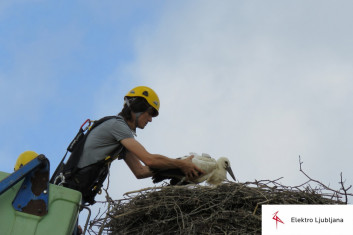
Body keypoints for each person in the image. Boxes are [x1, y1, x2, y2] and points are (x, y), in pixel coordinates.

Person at [63, 86, 204, 205]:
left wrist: (177, 167)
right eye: (149, 114)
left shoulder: (120, 139)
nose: (150, 120)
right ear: (138, 107)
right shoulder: (117, 126)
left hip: (73, 197)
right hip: (66, 193)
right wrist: (180, 164)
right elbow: (149, 160)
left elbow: (140, 171)